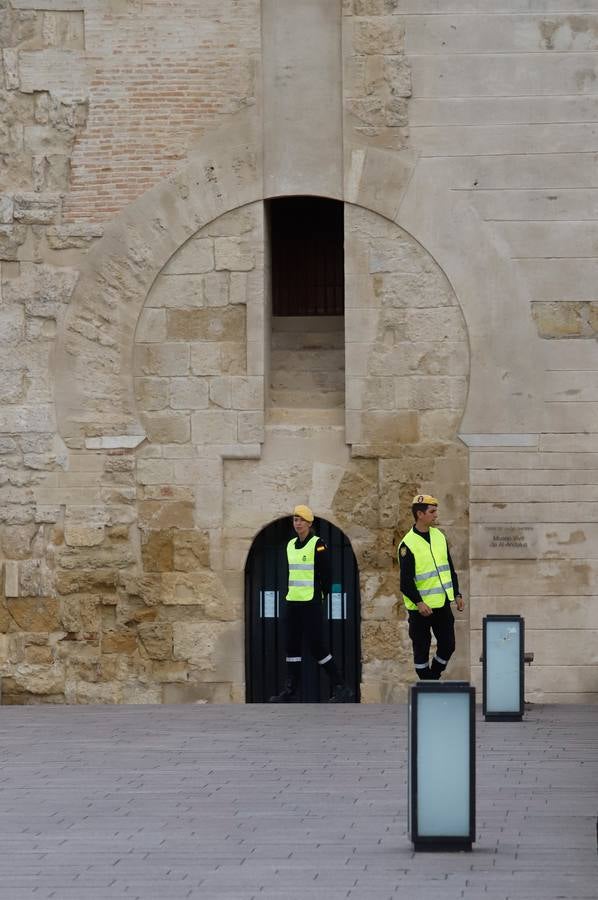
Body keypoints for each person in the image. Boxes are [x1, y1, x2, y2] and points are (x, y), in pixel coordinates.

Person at [269, 504, 354, 703]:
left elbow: (327, 573)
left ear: (309, 523)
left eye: (301, 520)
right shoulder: (290, 545)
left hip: (311, 601)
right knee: (291, 646)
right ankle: (291, 690)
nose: (297, 523)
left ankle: (341, 686)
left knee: (317, 647)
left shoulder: (318, 544)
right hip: (293, 601)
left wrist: (320, 596)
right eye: (295, 520)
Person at [398, 493, 465, 680]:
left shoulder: (439, 537)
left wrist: (457, 593)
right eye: (432, 511)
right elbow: (405, 582)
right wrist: (419, 602)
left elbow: (449, 569)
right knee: (421, 650)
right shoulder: (407, 544)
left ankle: (432, 678)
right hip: (420, 609)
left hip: (441, 603)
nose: (436, 515)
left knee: (448, 645)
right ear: (420, 514)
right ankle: (427, 682)